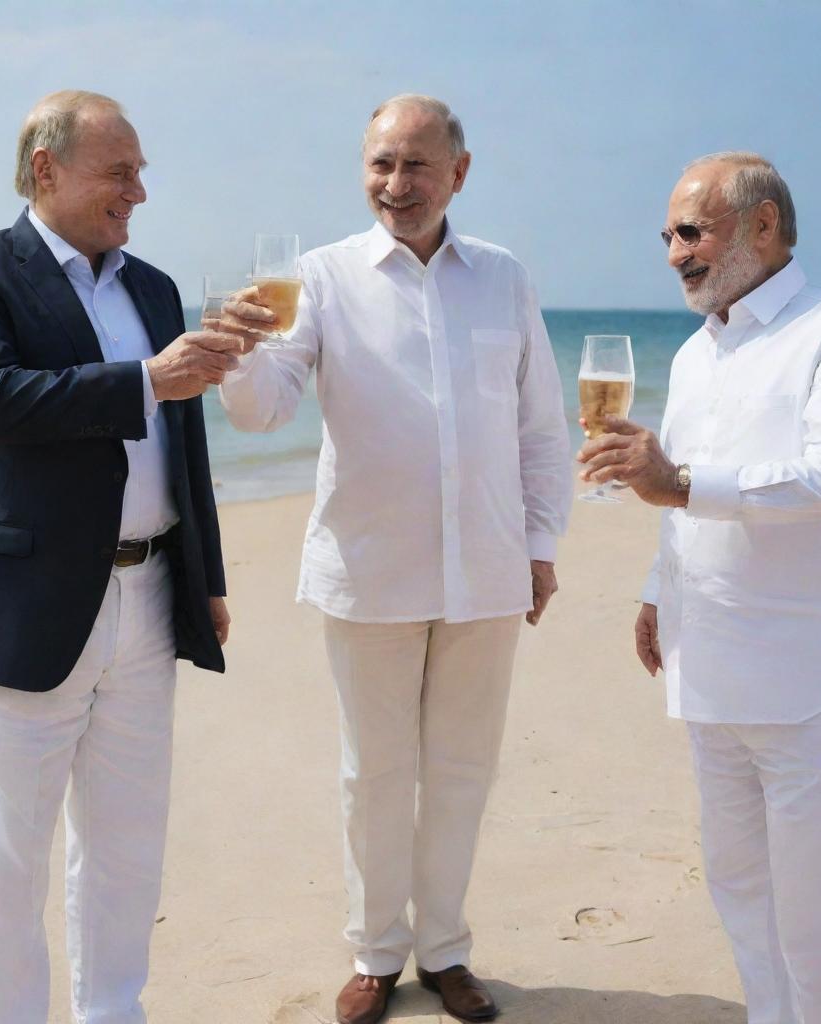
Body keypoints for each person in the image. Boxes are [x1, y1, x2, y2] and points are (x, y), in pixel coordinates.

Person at [215, 95, 572, 1024]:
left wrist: (539, 544)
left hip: (488, 572)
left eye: (416, 165)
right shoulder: (321, 276)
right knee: (372, 773)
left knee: (462, 770)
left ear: (459, 172)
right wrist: (239, 352)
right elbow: (262, 410)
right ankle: (376, 951)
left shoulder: (503, 278)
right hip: (366, 571)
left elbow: (540, 427)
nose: (395, 184)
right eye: (380, 164)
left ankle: (447, 950)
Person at [0, 90, 236, 1024]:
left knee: (127, 847)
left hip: (148, 598)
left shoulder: (155, 287)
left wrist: (206, 573)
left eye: (139, 171)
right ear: (46, 168)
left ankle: (113, 1013)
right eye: (120, 171)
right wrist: (147, 378)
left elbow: (184, 446)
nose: (140, 190)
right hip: (21, 605)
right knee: (7, 866)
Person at [577, 152, 821, 1024]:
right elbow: (673, 494)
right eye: (668, 236)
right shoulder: (691, 356)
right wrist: (655, 588)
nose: (674, 252)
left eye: (692, 231)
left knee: (817, 920)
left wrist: (677, 482)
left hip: (816, 682)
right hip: (710, 673)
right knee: (743, 899)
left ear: (764, 226)